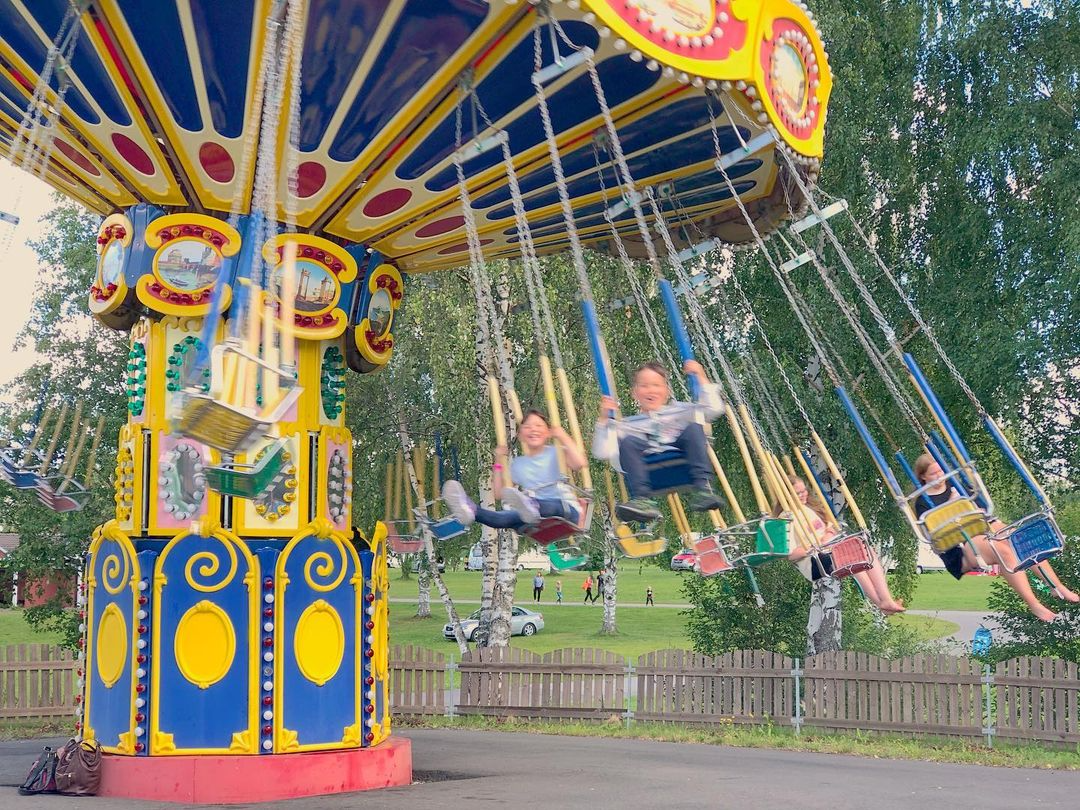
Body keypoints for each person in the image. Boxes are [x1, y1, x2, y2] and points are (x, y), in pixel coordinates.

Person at [913, 454, 1076, 622]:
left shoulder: (955, 486)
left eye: (941, 470)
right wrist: (954, 506)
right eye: (934, 474)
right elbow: (939, 536)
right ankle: (1034, 605)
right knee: (1003, 552)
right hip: (960, 549)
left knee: (1019, 538)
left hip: (980, 531)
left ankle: (1056, 586)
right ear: (923, 476)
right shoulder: (923, 503)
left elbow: (983, 512)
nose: (940, 476)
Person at [593, 360, 724, 523]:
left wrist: (700, 374)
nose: (651, 390)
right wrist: (604, 419)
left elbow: (714, 409)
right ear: (634, 393)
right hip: (646, 464)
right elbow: (601, 452)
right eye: (644, 386)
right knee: (627, 442)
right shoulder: (626, 425)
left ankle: (703, 488)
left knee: (694, 428)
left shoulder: (680, 411)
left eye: (656, 385)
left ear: (666, 391)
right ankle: (642, 499)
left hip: (679, 454)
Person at [775, 475, 905, 615]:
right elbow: (790, 554)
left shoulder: (809, 508)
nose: (803, 495)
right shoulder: (785, 518)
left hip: (829, 551)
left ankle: (883, 601)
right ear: (787, 495)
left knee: (865, 552)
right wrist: (814, 546)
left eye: (804, 491)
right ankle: (882, 602)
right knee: (852, 558)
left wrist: (829, 535)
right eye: (798, 493)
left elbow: (830, 527)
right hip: (814, 563)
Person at [443, 409, 587, 534]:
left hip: (566, 511)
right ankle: (471, 510)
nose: (533, 429)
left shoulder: (557, 453)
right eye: (528, 427)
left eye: (538, 425)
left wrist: (562, 435)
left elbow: (580, 463)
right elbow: (499, 493)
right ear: (520, 435)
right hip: (534, 516)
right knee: (503, 518)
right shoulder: (518, 464)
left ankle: (532, 505)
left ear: (548, 433)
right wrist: (498, 461)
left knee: (551, 506)